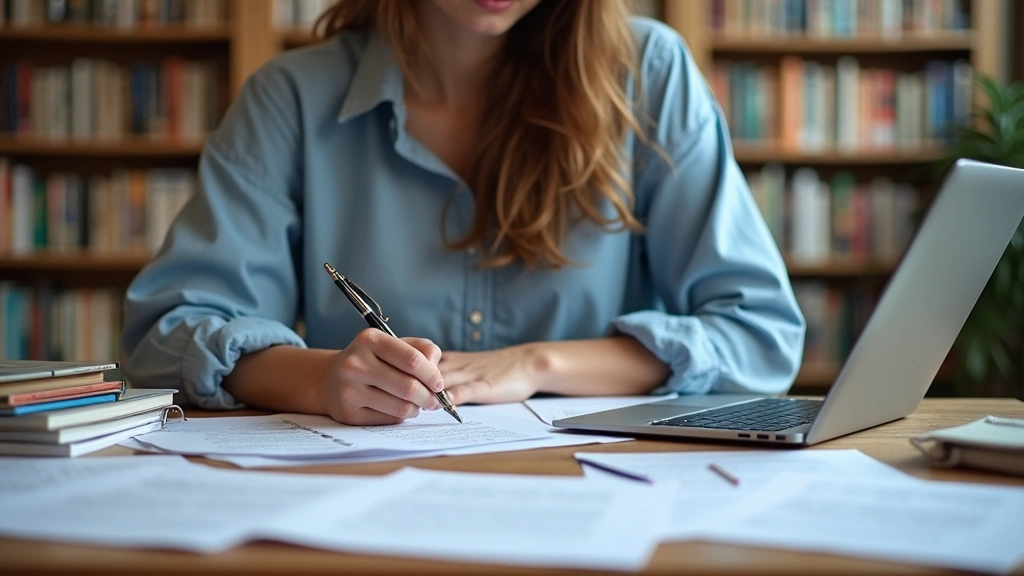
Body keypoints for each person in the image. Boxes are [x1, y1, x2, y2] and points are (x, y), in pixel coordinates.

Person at [121, 0, 805, 426]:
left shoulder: (651, 73)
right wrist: (324, 380)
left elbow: (757, 337)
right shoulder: (290, 98)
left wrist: (538, 364)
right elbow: (169, 338)